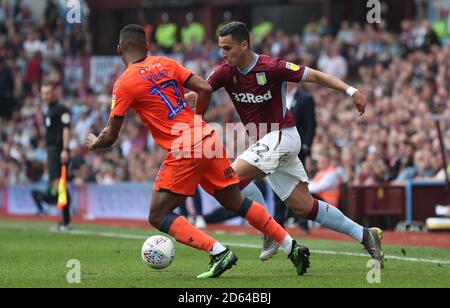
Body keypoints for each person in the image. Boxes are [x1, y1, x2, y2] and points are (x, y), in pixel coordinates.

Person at [85, 24, 310, 278]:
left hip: (185, 147)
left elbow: (110, 136)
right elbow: (204, 88)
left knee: (157, 215)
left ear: (119, 50)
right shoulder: (166, 63)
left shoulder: (123, 83)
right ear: (147, 46)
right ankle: (292, 246)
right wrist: (196, 121)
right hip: (207, 135)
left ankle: (218, 252)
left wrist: (94, 141)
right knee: (234, 200)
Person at [186, 22, 384, 266]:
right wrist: (166, 102)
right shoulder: (225, 72)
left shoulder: (271, 67)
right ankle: (365, 234)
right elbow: (198, 94)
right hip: (266, 142)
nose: (223, 54)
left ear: (244, 44)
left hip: (282, 135)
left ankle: (267, 229)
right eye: (221, 49)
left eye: (227, 48)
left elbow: (316, 76)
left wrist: (351, 90)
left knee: (230, 177)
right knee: (303, 207)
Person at [31, 81, 72, 231]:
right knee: (57, 186)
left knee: (59, 185)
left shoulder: (61, 109)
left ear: (55, 93)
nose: (44, 96)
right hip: (51, 150)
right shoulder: (48, 109)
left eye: (47, 93)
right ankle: (65, 220)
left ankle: (66, 221)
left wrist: (65, 149)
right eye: (42, 93)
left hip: (58, 149)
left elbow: (66, 129)